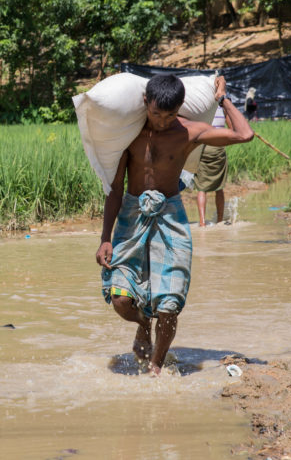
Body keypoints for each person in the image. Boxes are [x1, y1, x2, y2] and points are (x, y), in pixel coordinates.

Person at [95, 74, 254, 376]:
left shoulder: (189, 132)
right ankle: (143, 324)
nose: (162, 121)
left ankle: (156, 367)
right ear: (146, 103)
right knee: (120, 299)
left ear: (180, 108)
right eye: (156, 114)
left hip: (171, 216)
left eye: (170, 115)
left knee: (169, 305)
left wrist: (222, 98)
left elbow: (244, 134)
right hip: (132, 215)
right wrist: (105, 237)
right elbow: (115, 188)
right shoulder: (129, 133)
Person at [194, 106, 230, 226]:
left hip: (202, 148)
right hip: (218, 148)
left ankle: (202, 222)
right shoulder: (222, 107)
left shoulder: (201, 108)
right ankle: (220, 220)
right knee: (219, 187)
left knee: (201, 188)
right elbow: (232, 128)